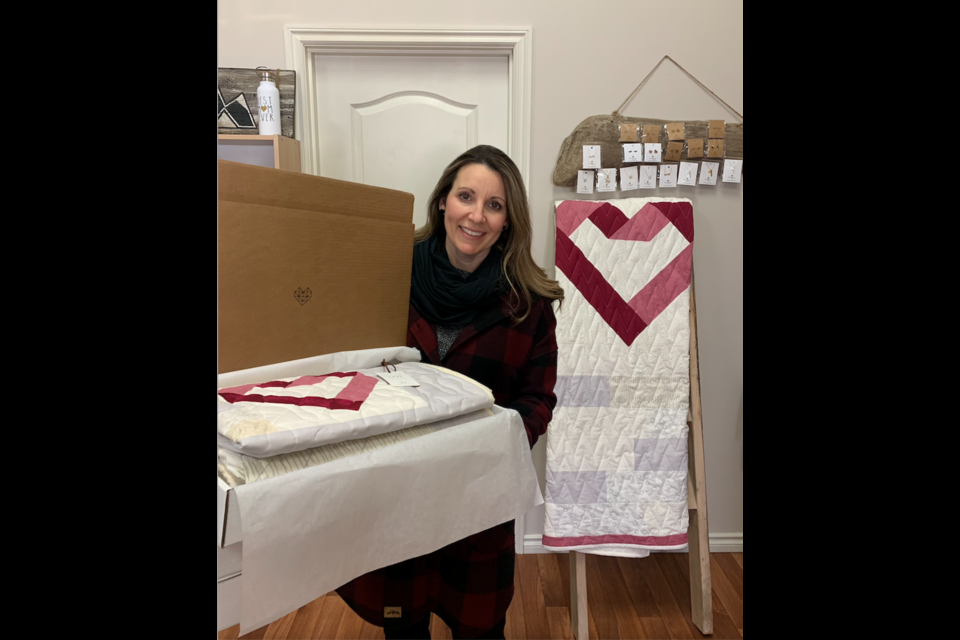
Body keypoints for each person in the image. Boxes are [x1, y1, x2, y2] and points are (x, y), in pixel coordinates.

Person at [336, 145, 564, 639]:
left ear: (508, 221)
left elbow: (537, 398)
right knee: (404, 624)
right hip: (395, 495)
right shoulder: (386, 275)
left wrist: (486, 449)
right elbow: (346, 369)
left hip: (476, 499)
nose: (476, 216)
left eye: (495, 205)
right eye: (466, 196)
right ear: (443, 201)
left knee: (480, 628)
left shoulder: (528, 302)